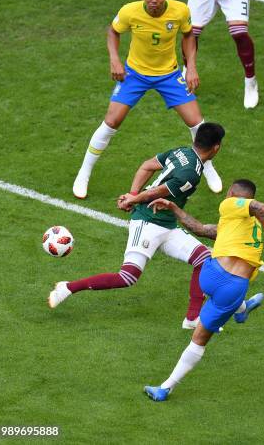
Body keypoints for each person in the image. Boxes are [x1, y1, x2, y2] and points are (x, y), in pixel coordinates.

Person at [49, 123, 225, 330]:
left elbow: (146, 166)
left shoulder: (181, 151)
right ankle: (67, 288)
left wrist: (133, 195)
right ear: (216, 148)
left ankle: (192, 318)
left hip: (167, 224)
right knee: (128, 277)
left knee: (204, 259)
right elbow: (155, 193)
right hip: (148, 222)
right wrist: (134, 200)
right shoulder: (191, 173)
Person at [73, 0, 222, 199]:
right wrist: (114, 59)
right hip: (135, 74)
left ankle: (207, 166)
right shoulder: (129, 11)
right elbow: (113, 32)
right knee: (112, 121)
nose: (154, 0)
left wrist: (190, 65)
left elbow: (189, 36)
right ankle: (84, 172)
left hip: (169, 75)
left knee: (196, 122)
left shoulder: (180, 11)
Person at [143, 179, 264, 401]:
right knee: (199, 338)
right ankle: (165, 388)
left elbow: (261, 207)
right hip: (234, 288)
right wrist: (173, 207)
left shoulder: (229, 205)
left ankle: (241, 308)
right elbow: (201, 229)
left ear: (231, 193)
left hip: (211, 274)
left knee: (201, 332)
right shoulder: (248, 227)